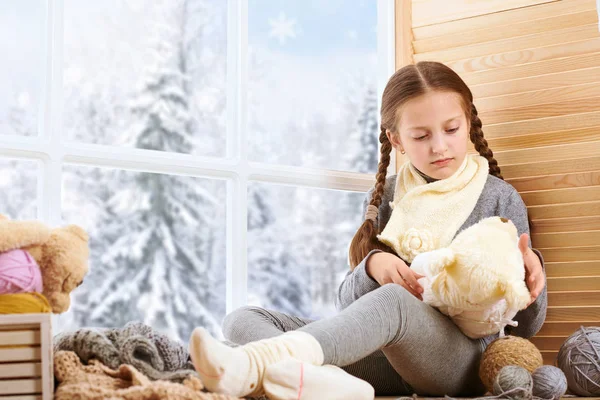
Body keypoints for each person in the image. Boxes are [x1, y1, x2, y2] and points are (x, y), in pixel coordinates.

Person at [188, 61, 548, 399]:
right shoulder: (388, 197)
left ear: (468, 123)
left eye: (451, 130)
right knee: (242, 319)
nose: (440, 146)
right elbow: (348, 307)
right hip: (384, 357)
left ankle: (264, 367)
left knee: (394, 302)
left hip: (460, 361)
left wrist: (531, 276)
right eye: (421, 136)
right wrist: (372, 267)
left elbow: (527, 328)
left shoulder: (499, 198)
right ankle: (322, 383)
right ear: (396, 140)